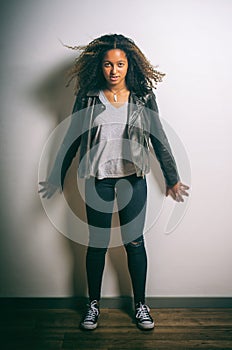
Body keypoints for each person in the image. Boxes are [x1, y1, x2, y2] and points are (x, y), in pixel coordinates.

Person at [39, 34, 189, 331]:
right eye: (108, 64)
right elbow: (72, 137)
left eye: (120, 64)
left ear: (129, 65)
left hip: (133, 180)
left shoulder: (143, 97)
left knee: (134, 242)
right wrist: (57, 176)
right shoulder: (88, 96)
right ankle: (93, 305)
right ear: (100, 66)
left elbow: (158, 136)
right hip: (99, 182)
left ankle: (140, 305)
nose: (114, 70)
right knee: (97, 244)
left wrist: (172, 178)